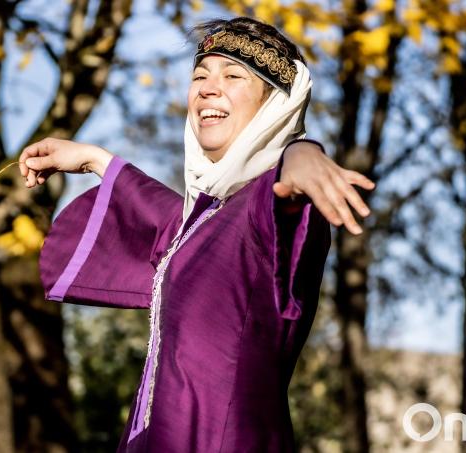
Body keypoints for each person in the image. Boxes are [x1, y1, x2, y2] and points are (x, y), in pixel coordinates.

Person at [19, 17, 374, 453]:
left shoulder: (269, 205)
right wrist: (95, 158)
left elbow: (286, 188)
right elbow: (164, 218)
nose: (207, 88)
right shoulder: (205, 220)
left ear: (275, 105)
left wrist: (304, 152)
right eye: (200, 76)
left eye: (233, 76)